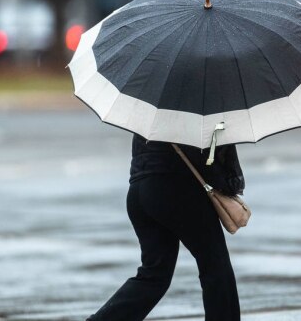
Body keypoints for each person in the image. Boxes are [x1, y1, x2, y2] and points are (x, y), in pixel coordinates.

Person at [86, 132, 245, 321]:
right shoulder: (201, 109)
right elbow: (209, 154)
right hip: (176, 188)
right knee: (216, 267)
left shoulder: (153, 110)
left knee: (154, 275)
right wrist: (230, 184)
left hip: (139, 190)